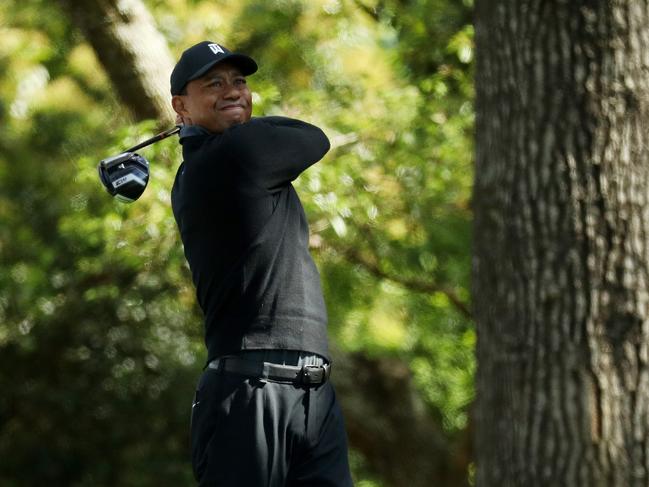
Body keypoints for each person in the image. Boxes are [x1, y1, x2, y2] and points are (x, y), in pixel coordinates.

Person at [169, 40, 354, 486]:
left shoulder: (229, 153)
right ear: (181, 106)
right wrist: (230, 127)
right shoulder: (232, 156)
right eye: (214, 84)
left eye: (239, 82)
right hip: (251, 390)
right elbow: (312, 137)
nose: (233, 91)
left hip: (313, 392)